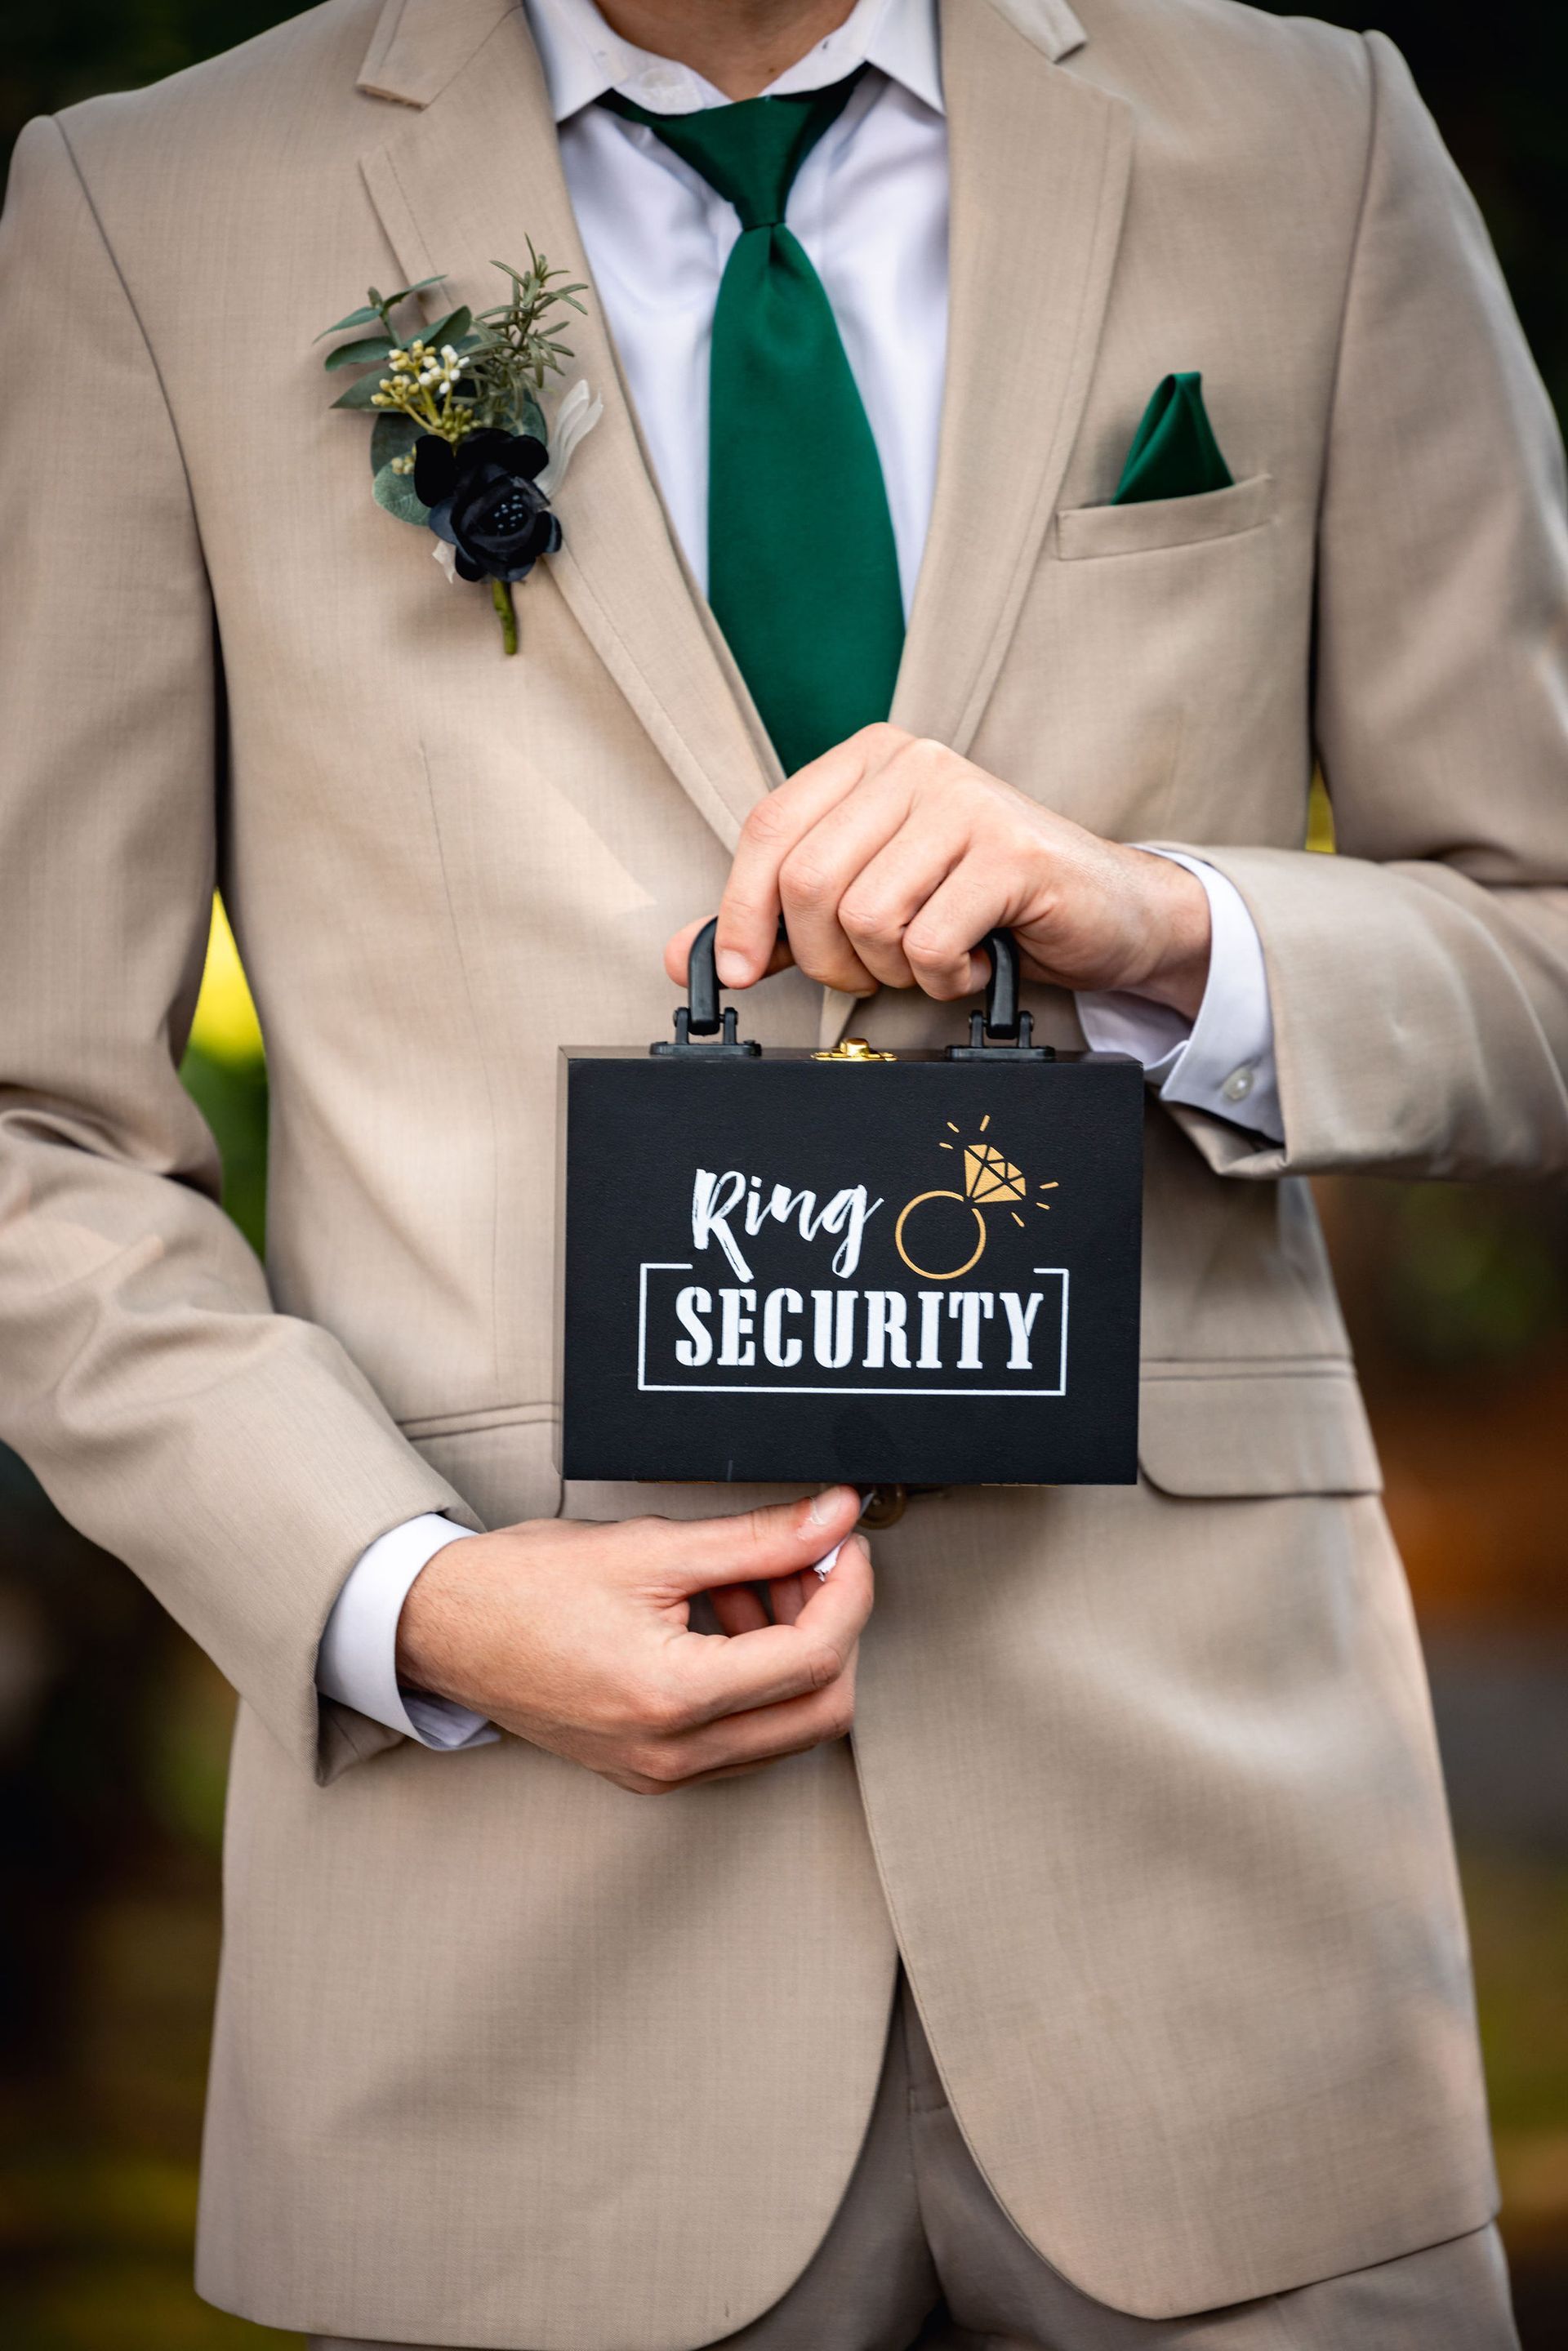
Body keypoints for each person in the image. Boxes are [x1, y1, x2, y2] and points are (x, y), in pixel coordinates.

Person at [1, 0, 1562, 2342]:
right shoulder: (152, 209)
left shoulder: (1309, 132)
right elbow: (37, 1128)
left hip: (1234, 1950)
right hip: (506, 1984)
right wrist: (402, 1599)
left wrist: (1171, 925)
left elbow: (1536, 943)